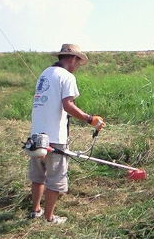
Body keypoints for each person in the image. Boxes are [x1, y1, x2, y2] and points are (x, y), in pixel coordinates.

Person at [28, 44, 105, 224]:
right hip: (55, 138)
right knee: (55, 179)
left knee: (38, 176)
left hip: (36, 136)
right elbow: (68, 105)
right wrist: (90, 119)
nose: (77, 66)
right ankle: (49, 218)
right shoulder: (67, 77)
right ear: (72, 59)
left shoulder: (45, 73)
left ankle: (36, 210)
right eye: (78, 62)